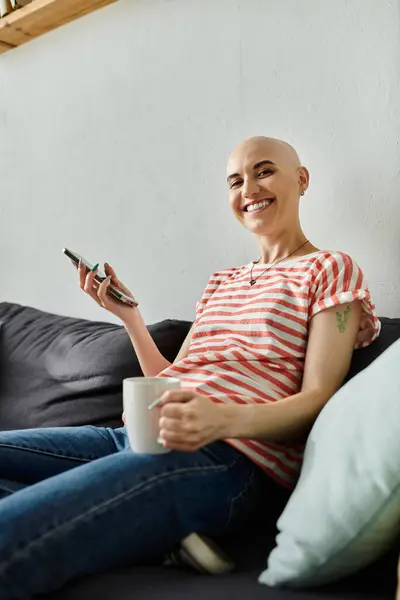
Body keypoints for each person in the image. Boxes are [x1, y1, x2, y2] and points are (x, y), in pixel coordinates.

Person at [0, 136, 380, 599]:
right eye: (235, 181)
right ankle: (155, 536)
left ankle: (151, 528)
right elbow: (170, 379)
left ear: (301, 180)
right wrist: (130, 318)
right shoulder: (222, 282)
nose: (249, 188)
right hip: (134, 439)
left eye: (264, 171)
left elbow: (317, 398)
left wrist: (220, 419)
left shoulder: (329, 269)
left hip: (225, 457)